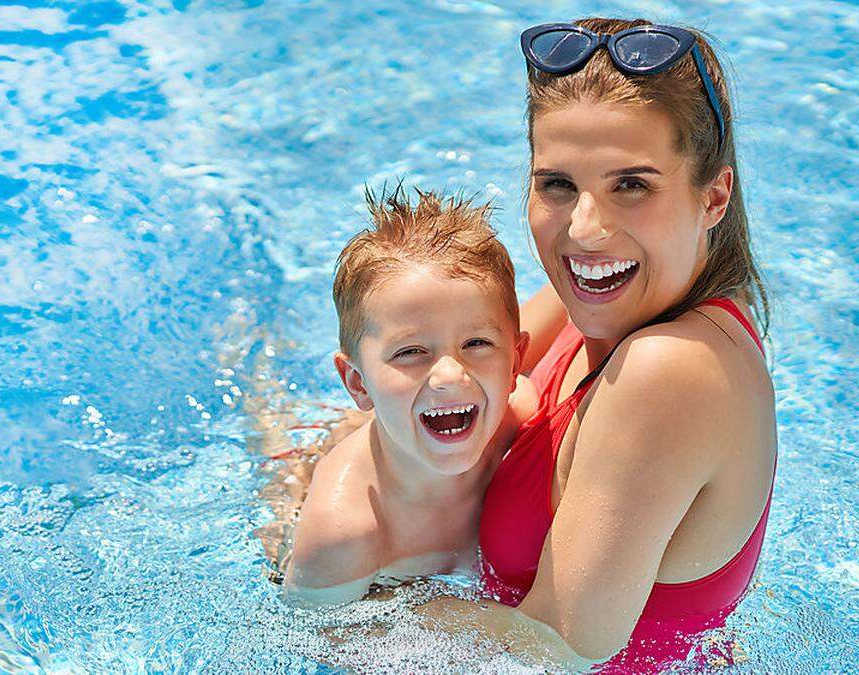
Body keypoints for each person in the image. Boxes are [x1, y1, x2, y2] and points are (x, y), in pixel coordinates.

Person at [417, 17, 777, 672]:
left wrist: (342, 603)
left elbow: (555, 649)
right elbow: (444, 387)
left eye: (631, 185)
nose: (585, 229)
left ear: (714, 195)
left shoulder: (669, 370)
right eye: (557, 184)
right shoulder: (607, 293)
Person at [281, 186, 537, 606]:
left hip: (397, 423)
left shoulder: (520, 422)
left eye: (476, 343)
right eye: (411, 352)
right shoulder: (343, 531)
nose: (450, 375)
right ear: (358, 383)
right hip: (304, 505)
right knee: (286, 468)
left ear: (514, 363)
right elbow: (314, 638)